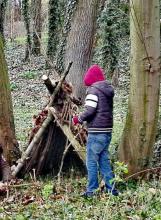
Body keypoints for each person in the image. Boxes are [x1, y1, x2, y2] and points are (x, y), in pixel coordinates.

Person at [72, 64, 118, 197]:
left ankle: (91, 191)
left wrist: (77, 119)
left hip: (97, 132)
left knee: (91, 161)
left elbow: (90, 111)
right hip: (107, 131)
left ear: (91, 80)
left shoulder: (93, 91)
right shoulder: (107, 90)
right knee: (104, 160)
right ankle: (112, 189)